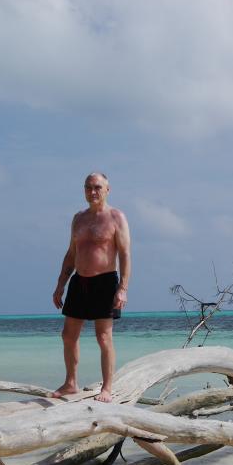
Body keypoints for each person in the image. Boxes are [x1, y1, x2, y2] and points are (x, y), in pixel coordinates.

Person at [51, 172, 131, 403]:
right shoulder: (78, 218)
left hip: (105, 282)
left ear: (107, 190)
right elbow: (71, 254)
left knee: (103, 337)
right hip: (79, 281)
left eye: (97, 187)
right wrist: (60, 285)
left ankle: (107, 388)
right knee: (68, 335)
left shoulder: (116, 217)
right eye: (88, 187)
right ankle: (70, 383)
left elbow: (125, 254)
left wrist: (123, 288)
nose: (92, 192)